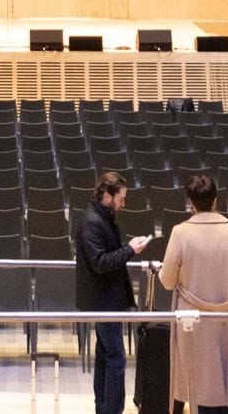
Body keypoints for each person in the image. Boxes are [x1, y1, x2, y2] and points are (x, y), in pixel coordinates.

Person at [159, 173, 228, 414]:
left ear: (190, 203)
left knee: (199, 388)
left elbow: (166, 281)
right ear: (216, 201)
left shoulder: (180, 232)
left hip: (193, 324)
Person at [75, 170, 150, 414]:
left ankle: (104, 408)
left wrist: (128, 249)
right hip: (102, 299)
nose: (124, 203)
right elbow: (100, 262)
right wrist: (129, 249)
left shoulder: (102, 217)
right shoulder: (92, 222)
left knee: (106, 355)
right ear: (107, 195)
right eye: (121, 198)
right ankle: (111, 410)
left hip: (107, 297)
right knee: (116, 358)